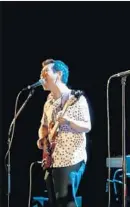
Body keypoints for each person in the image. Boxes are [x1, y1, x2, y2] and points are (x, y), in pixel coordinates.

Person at [37, 59, 91, 207]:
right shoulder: (48, 102)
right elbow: (44, 125)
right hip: (52, 159)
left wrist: (68, 122)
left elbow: (87, 126)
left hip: (71, 158)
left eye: (45, 72)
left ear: (58, 74)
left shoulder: (76, 98)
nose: (41, 76)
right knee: (54, 202)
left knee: (66, 201)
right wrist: (42, 138)